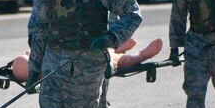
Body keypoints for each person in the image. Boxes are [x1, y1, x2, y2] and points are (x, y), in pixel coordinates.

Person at [10, 38, 163, 81]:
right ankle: (141, 55)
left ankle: (117, 48)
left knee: (111, 54)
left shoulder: (40, 62)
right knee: (122, 60)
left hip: (84, 53)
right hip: (96, 61)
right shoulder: (47, 72)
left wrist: (33, 54)